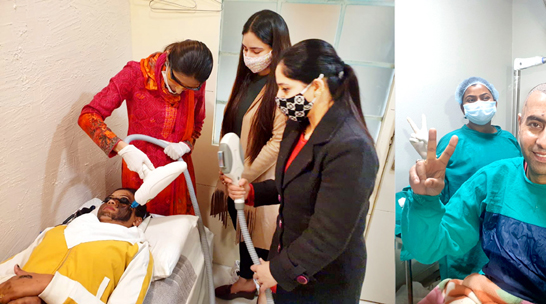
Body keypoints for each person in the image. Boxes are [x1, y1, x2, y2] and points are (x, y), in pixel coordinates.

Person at [401, 82, 546, 303]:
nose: (544, 141)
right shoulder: (491, 179)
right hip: (487, 292)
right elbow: (430, 248)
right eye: (535, 124)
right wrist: (424, 201)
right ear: (520, 125)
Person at [223, 39, 379, 303]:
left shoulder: (351, 147)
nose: (279, 98)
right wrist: (251, 192)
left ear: (316, 87)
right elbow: (295, 184)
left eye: (285, 88)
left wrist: (276, 270)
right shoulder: (299, 126)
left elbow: (329, 235)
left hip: (323, 278)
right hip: (290, 258)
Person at [401, 76, 521, 281]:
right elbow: (435, 187)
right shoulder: (452, 142)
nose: (479, 103)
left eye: (485, 97)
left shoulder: (510, 141)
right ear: (462, 108)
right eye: (471, 100)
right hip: (463, 235)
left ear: (495, 103)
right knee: (461, 290)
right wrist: (423, 156)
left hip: (504, 232)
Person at [78, 39, 213, 216]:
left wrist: (186, 145)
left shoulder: (195, 84)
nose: (179, 90)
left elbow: (196, 125)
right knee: (140, 225)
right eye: (175, 81)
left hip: (176, 174)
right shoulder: (135, 74)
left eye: (187, 88)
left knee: (176, 234)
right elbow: (88, 115)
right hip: (140, 170)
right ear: (168, 61)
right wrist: (122, 148)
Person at [210, 10, 291, 301]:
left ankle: (259, 288)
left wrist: (243, 176)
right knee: (244, 235)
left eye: (256, 50)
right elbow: (231, 127)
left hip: (259, 182)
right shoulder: (246, 80)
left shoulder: (283, 87)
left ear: (276, 49)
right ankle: (246, 282)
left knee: (259, 238)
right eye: (245, 48)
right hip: (235, 177)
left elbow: (278, 142)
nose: (248, 55)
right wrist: (227, 170)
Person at [0, 188, 153, 304]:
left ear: (137, 221)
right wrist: (21, 290)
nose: (111, 201)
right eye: (108, 199)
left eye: (124, 200)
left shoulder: (136, 250)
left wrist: (48, 286)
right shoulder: (56, 231)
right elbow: (7, 268)